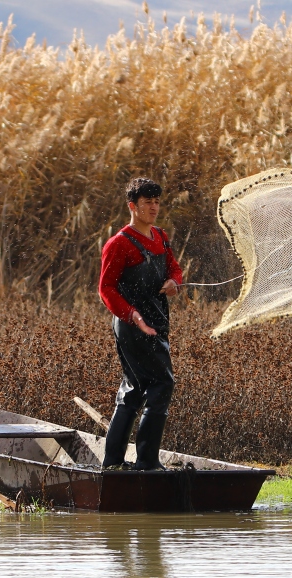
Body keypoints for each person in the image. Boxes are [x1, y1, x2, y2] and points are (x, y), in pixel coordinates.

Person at [98, 177, 183, 471]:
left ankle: (112, 463)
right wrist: (131, 314)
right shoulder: (118, 244)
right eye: (147, 202)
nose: (154, 207)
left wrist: (174, 281)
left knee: (134, 388)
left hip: (157, 322)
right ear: (132, 206)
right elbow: (105, 288)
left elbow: (173, 266)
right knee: (162, 383)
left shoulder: (160, 236)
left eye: (157, 201)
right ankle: (146, 462)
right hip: (131, 324)